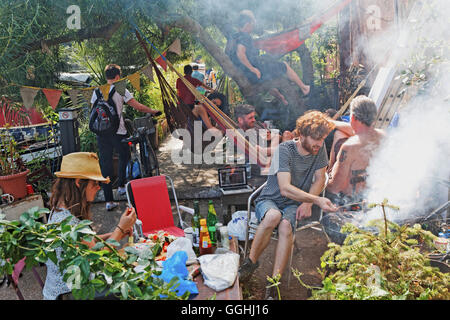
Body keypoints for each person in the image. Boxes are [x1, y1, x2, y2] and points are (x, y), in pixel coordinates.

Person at [238, 111, 338, 299]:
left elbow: (320, 178)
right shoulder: (285, 150)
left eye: (323, 138)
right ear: (302, 135)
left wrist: (308, 200)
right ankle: (250, 264)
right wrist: (315, 200)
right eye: (316, 138)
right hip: (270, 199)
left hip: (293, 203)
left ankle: (274, 283)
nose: (320, 142)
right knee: (274, 216)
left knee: (285, 225)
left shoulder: (319, 148)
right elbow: (284, 188)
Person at [42, 152, 137, 300]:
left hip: (66, 288)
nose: (99, 188)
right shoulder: (68, 221)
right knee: (131, 288)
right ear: (79, 182)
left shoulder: (60, 209)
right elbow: (96, 261)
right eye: (95, 183)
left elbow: (86, 245)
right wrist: (119, 229)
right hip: (69, 294)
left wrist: (111, 235)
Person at [91, 64, 161, 211]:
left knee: (106, 165)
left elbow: (94, 111)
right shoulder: (121, 88)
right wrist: (153, 111)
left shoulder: (96, 91)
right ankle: (122, 185)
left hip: (101, 133)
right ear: (117, 77)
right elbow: (137, 106)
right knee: (125, 156)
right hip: (118, 131)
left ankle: (109, 201)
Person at [227, 10, 310, 105]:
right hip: (252, 74)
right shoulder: (245, 36)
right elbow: (240, 53)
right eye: (252, 23)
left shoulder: (233, 37)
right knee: (284, 66)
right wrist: (253, 69)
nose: (253, 26)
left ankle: (282, 99)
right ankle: (304, 88)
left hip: (245, 75)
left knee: (269, 73)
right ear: (247, 24)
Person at [326, 95, 386, 202]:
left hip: (352, 203)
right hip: (378, 198)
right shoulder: (384, 136)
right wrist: (333, 123)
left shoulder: (349, 147)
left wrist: (326, 178)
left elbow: (335, 187)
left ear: (352, 117)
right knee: (340, 133)